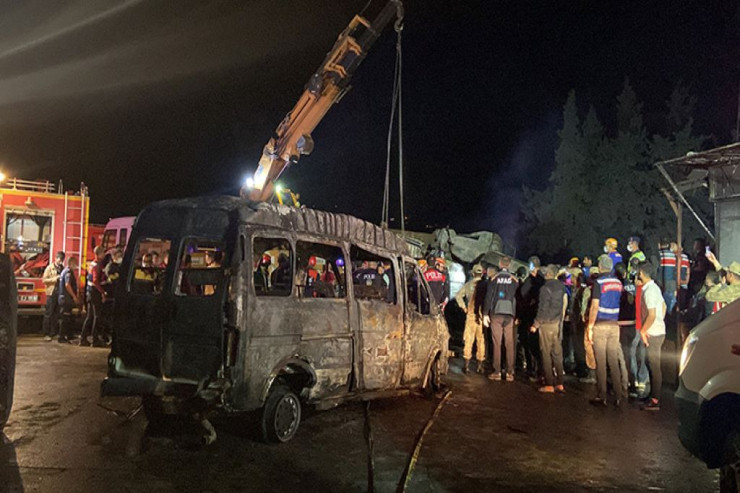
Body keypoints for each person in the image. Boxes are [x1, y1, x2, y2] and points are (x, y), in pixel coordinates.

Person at [586, 256, 624, 407]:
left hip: (601, 325)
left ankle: (602, 395)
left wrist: (590, 326)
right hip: (614, 325)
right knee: (613, 361)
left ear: (600, 267)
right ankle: (618, 395)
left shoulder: (599, 283)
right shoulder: (618, 283)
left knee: (601, 361)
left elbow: (595, 306)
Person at [531, 265, 567, 393]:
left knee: (546, 353)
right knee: (557, 353)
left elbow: (543, 308)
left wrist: (536, 324)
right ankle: (560, 383)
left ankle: (549, 384)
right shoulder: (562, 287)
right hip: (557, 323)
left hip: (546, 324)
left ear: (547, 274)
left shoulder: (545, 288)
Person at [483, 256, 519, 382]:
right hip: (510, 314)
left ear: (500, 264)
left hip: (496, 313)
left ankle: (497, 371)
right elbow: (518, 298)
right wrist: (517, 315)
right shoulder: (514, 280)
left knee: (497, 343)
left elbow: (489, 297)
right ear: (509, 265)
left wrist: (485, 313)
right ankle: (510, 372)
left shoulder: (494, 279)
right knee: (509, 343)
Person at [638, 261, 667, 411]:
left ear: (641, 273)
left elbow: (652, 314)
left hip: (653, 333)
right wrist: (660, 321)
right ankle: (652, 395)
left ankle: (655, 399)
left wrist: (644, 331)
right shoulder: (655, 288)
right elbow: (663, 307)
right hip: (658, 330)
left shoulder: (649, 291)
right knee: (650, 363)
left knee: (654, 365)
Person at [455, 264, 486, 374]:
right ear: (482, 274)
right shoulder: (485, 285)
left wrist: (464, 307)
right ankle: (479, 366)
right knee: (481, 341)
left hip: (471, 315)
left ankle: (466, 366)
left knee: (468, 339)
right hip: (482, 316)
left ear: (473, 273)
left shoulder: (468, 285)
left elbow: (458, 296)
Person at [517, 256, 544, 380]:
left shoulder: (529, 281)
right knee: (539, 345)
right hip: (540, 317)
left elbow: (522, 296)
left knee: (529, 344)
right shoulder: (543, 281)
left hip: (528, 316)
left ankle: (531, 369)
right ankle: (540, 371)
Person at [80, 246, 107, 347]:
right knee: (97, 316)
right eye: (103, 253)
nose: (104, 255)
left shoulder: (91, 264)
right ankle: (95, 340)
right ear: (99, 254)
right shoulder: (96, 265)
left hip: (89, 292)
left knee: (89, 316)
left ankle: (83, 338)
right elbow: (95, 280)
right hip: (95, 293)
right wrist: (102, 292)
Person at [41, 251, 65, 342]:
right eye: (59, 259)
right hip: (51, 293)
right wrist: (55, 279)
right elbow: (44, 280)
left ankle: (53, 332)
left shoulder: (62, 268)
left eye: (62, 260)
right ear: (56, 258)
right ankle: (46, 333)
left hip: (59, 294)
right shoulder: (49, 268)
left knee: (56, 314)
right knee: (49, 313)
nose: (60, 261)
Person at [58, 256, 80, 344]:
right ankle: (61, 337)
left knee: (69, 318)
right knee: (65, 319)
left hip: (65, 298)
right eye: (75, 263)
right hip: (66, 299)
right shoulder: (68, 272)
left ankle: (69, 335)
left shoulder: (65, 271)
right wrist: (74, 296)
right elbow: (67, 285)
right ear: (71, 263)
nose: (76, 265)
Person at [656, 238, 678, 314]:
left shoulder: (658, 255)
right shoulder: (673, 255)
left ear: (659, 244)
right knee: (669, 306)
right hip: (671, 283)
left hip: (659, 282)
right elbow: (675, 271)